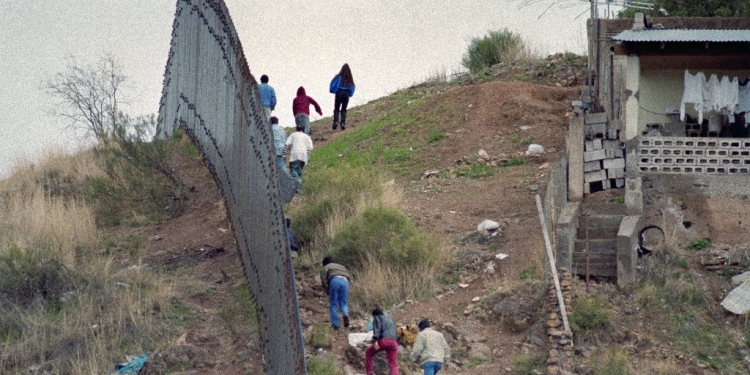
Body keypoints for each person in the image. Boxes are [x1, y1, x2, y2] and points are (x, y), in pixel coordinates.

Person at [365, 308, 399, 375]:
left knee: (368, 353)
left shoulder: (377, 318)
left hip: (384, 340)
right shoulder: (391, 321)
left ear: (374, 315)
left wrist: (376, 340)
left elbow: (377, 329)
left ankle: (370, 372)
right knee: (393, 363)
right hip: (394, 342)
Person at [320, 256, 350, 330]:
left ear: (325, 263)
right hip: (345, 280)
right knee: (343, 303)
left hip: (334, 280)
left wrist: (327, 289)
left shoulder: (326, 267)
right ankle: (345, 314)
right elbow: (348, 275)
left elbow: (323, 279)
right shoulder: (341, 266)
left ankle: (336, 324)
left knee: (333, 304)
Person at [329, 63, 355, 131]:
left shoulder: (338, 77)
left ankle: (335, 122)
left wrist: (333, 90)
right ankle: (343, 123)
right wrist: (349, 94)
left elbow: (332, 84)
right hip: (346, 94)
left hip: (339, 93)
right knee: (344, 109)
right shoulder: (350, 79)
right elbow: (352, 88)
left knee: (336, 109)